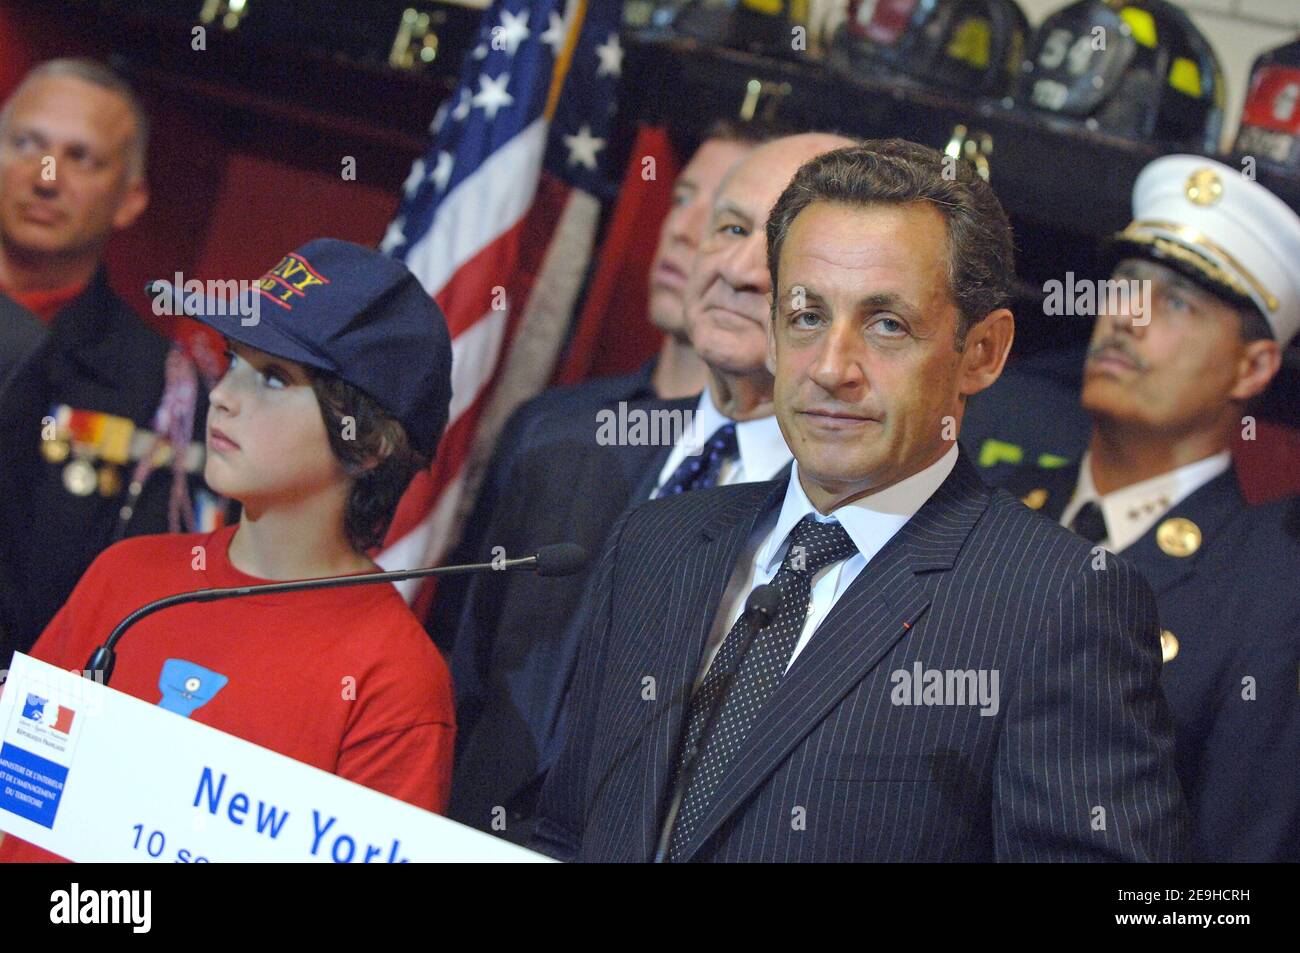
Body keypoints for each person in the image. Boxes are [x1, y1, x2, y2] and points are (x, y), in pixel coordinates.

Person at [532, 139, 1187, 863]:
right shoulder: (656, 542)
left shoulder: (1058, 605)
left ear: (984, 352)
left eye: (886, 325)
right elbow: (565, 832)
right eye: (807, 316)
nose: (833, 368)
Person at [444, 130, 854, 841]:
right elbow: (460, 686)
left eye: (780, 249)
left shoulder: (847, 527)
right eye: (729, 228)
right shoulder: (562, 446)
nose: (737, 269)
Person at [0, 239, 457, 863]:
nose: (225, 395)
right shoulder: (127, 574)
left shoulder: (395, 680)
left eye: (275, 378)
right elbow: (18, 802)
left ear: (370, 439)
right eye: (235, 361)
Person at [1002, 154, 1300, 861]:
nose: (1127, 319)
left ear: (1252, 367)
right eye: (1127, 287)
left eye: (1175, 303)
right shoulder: (999, 510)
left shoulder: (1269, 595)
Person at [0, 59, 214, 666]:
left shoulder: (160, 389)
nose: (45, 177)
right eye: (26, 144)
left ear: (129, 199)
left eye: (81, 158)